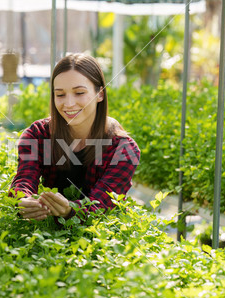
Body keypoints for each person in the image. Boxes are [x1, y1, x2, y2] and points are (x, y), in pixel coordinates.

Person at [9, 53, 140, 222]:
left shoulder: (123, 149)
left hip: (99, 237)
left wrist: (70, 211)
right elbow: (25, 177)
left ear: (100, 94)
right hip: (48, 235)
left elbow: (101, 205)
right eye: (60, 94)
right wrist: (22, 201)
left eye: (79, 92)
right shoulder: (38, 135)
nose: (69, 103)